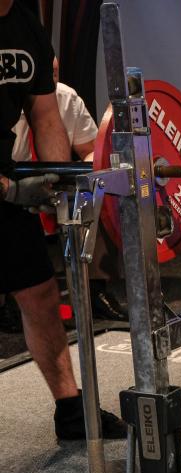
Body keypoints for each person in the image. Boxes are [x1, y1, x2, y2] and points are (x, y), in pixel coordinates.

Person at [0, 0, 127, 439]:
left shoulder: (25, 27)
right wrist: (11, 190)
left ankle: (72, 412)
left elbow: (45, 114)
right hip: (4, 185)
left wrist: (57, 186)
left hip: (4, 178)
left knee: (39, 292)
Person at [10, 56, 127, 321]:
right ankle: (8, 302)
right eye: (44, 74)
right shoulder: (8, 101)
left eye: (54, 74)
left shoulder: (67, 97)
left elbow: (91, 152)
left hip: (55, 180)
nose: (51, 80)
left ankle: (94, 290)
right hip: (15, 184)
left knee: (99, 185)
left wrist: (88, 179)